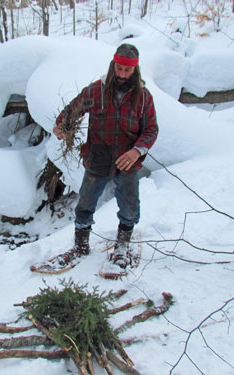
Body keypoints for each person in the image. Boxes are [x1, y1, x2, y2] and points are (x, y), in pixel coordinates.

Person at [52, 43, 159, 268]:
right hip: (97, 157)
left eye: (127, 70)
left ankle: (122, 246)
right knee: (85, 202)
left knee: (129, 205)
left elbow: (151, 129)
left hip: (127, 161)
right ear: (113, 66)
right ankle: (80, 245)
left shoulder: (143, 97)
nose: (121, 74)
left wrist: (136, 150)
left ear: (135, 70)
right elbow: (73, 110)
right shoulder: (96, 91)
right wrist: (62, 126)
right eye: (118, 69)